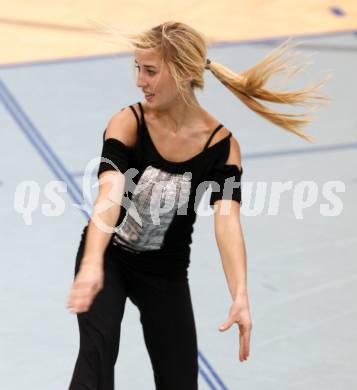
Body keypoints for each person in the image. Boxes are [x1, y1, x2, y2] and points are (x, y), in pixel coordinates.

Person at [67, 21, 330, 390]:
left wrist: (240, 294)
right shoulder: (129, 122)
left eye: (151, 71)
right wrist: (93, 262)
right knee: (97, 354)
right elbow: (109, 195)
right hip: (109, 256)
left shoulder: (222, 148)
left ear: (184, 72)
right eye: (138, 69)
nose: (140, 81)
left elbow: (227, 222)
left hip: (165, 272)